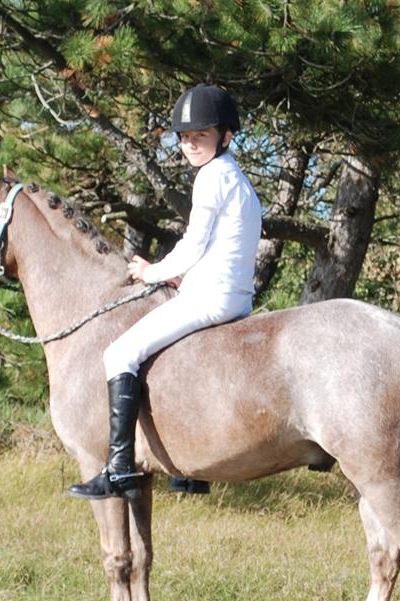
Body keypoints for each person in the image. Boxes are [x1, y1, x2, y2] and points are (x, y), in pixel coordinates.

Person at [68, 84, 263, 500]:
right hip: (232, 295)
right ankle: (190, 470)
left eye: (201, 136)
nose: (191, 145)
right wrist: (181, 279)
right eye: (186, 138)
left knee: (119, 353)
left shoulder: (211, 178)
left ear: (225, 136)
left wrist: (154, 271)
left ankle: (118, 468)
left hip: (210, 298)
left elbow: (194, 244)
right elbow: (222, 249)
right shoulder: (239, 180)